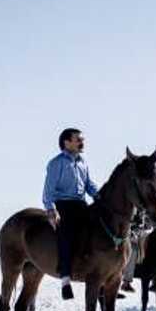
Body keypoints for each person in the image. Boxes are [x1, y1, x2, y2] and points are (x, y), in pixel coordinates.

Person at [43, 127, 100, 300]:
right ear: (66, 142)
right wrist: (51, 209)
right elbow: (48, 190)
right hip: (63, 205)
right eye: (78, 139)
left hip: (82, 204)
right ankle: (65, 277)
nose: (82, 142)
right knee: (66, 233)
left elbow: (89, 185)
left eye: (82, 139)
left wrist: (100, 196)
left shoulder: (83, 162)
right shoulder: (56, 163)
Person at [121, 206, 152, 294]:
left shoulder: (145, 209)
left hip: (140, 233)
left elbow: (149, 223)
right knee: (133, 250)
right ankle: (126, 282)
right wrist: (133, 227)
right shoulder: (131, 206)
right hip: (127, 233)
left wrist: (147, 225)